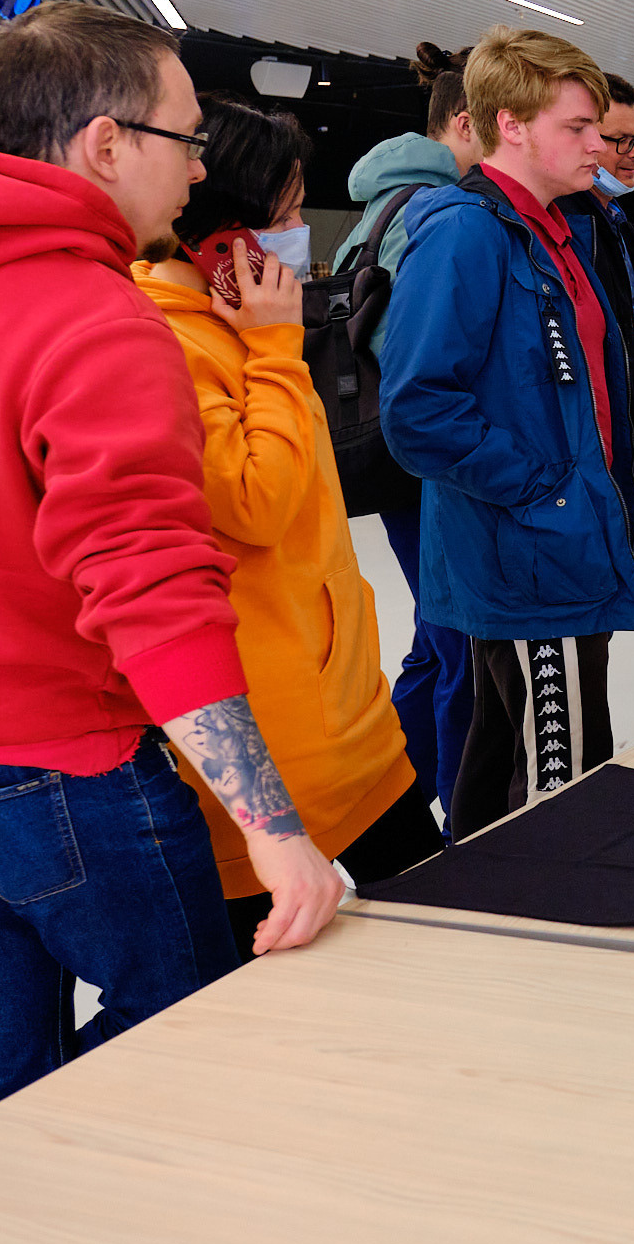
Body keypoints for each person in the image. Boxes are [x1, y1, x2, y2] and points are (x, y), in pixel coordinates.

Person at [0, 1, 339, 1128]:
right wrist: (277, 835)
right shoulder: (97, 327)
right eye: (186, 139)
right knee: (189, 1031)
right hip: (46, 771)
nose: (197, 173)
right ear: (106, 143)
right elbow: (154, 594)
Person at [136, 95, 440, 951]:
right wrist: (276, 344)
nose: (299, 231)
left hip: (353, 726)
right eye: (286, 212)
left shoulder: (236, 326)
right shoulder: (167, 343)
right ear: (225, 228)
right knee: (259, 983)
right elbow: (255, 503)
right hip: (268, 749)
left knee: (443, 925)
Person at [380, 26, 634, 838]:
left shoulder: (555, 229)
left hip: (560, 547)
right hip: (533, 559)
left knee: (500, 761)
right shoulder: (467, 232)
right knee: (560, 797)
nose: (596, 144)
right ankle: (548, 939)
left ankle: (474, 913)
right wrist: (543, 487)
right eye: (576, 127)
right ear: (511, 124)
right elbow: (418, 409)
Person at [336, 41, 480, 823]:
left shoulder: (376, 207)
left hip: (392, 460)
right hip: (428, 463)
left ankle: (387, 803)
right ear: (465, 122)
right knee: (456, 640)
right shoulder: (434, 213)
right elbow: (418, 357)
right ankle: (453, 816)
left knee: (437, 634)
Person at [567, 73, 634, 482]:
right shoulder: (570, 225)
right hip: (592, 460)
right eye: (623, 141)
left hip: (621, 455)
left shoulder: (617, 224)